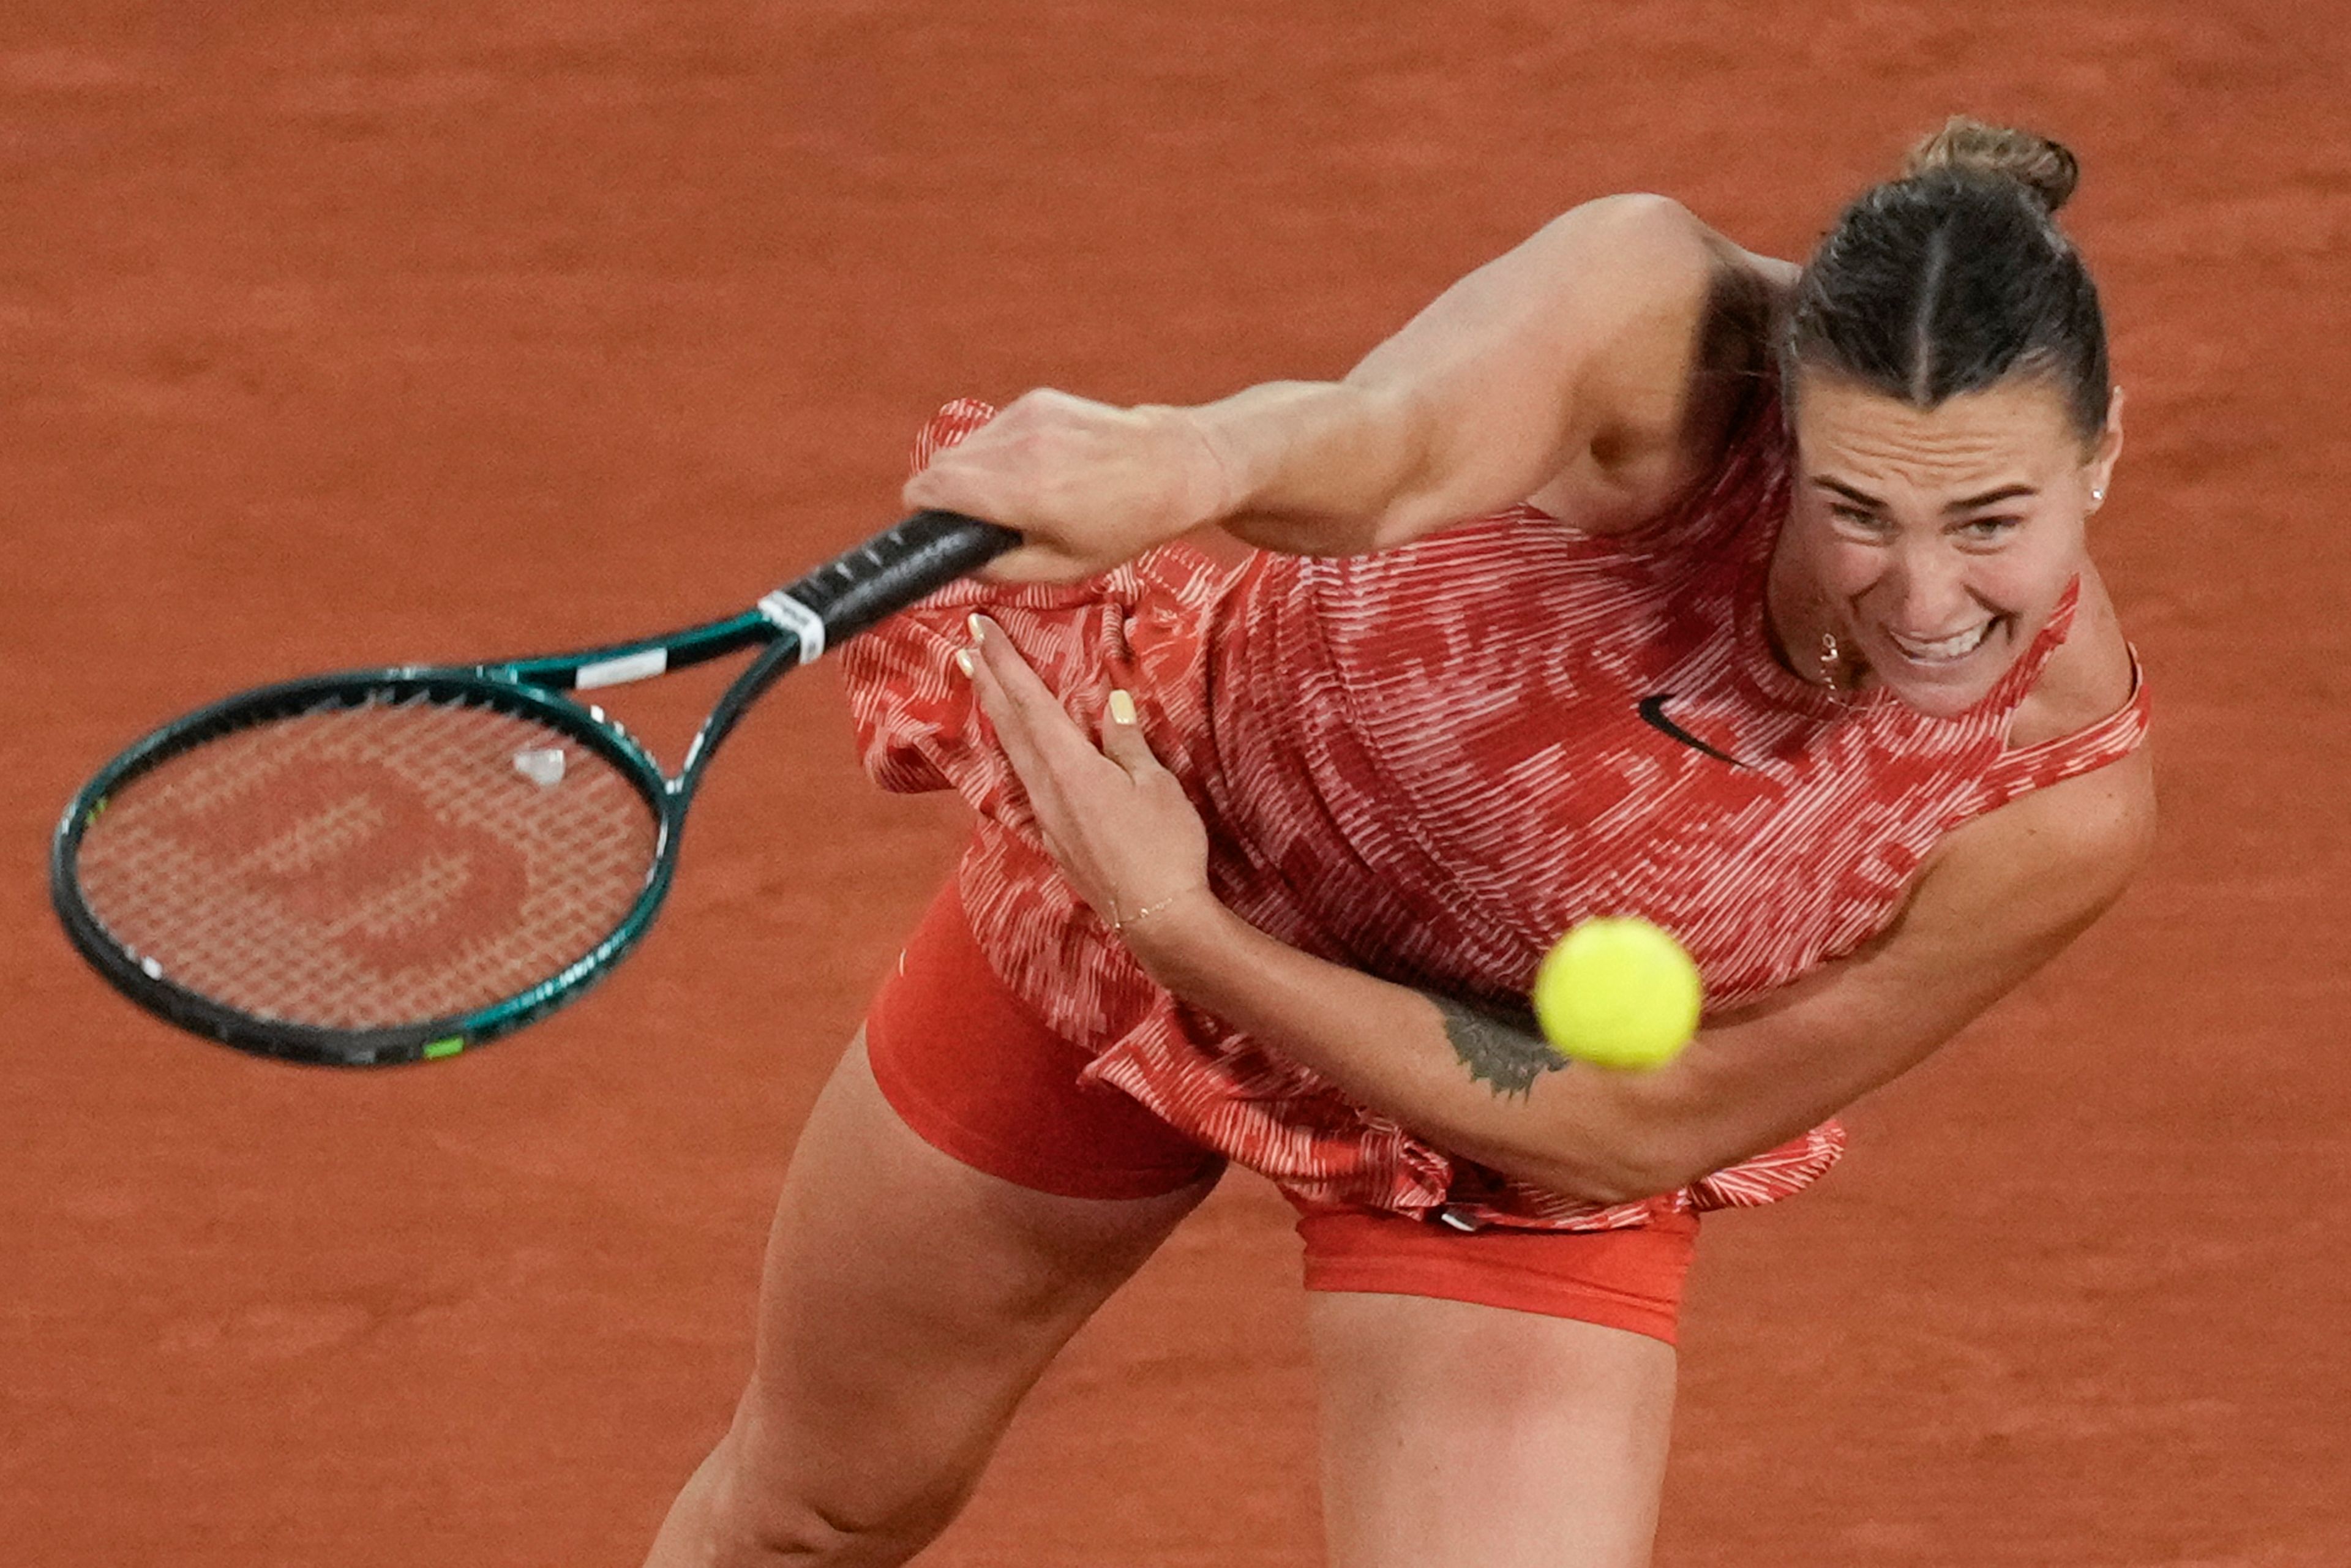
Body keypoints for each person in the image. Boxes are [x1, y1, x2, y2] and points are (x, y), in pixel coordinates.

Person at [643, 118, 2154, 1568]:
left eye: (1988, 522)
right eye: (1858, 510)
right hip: (1188, 824)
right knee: (809, 1518)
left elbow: (1652, 1120)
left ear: (2101, 451)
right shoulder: (1661, 325)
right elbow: (1390, 446)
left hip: (1494, 1120)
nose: (1924, 595)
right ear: (1792, 428)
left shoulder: (2055, 803)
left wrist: (1191, 933)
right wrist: (1187, 463)